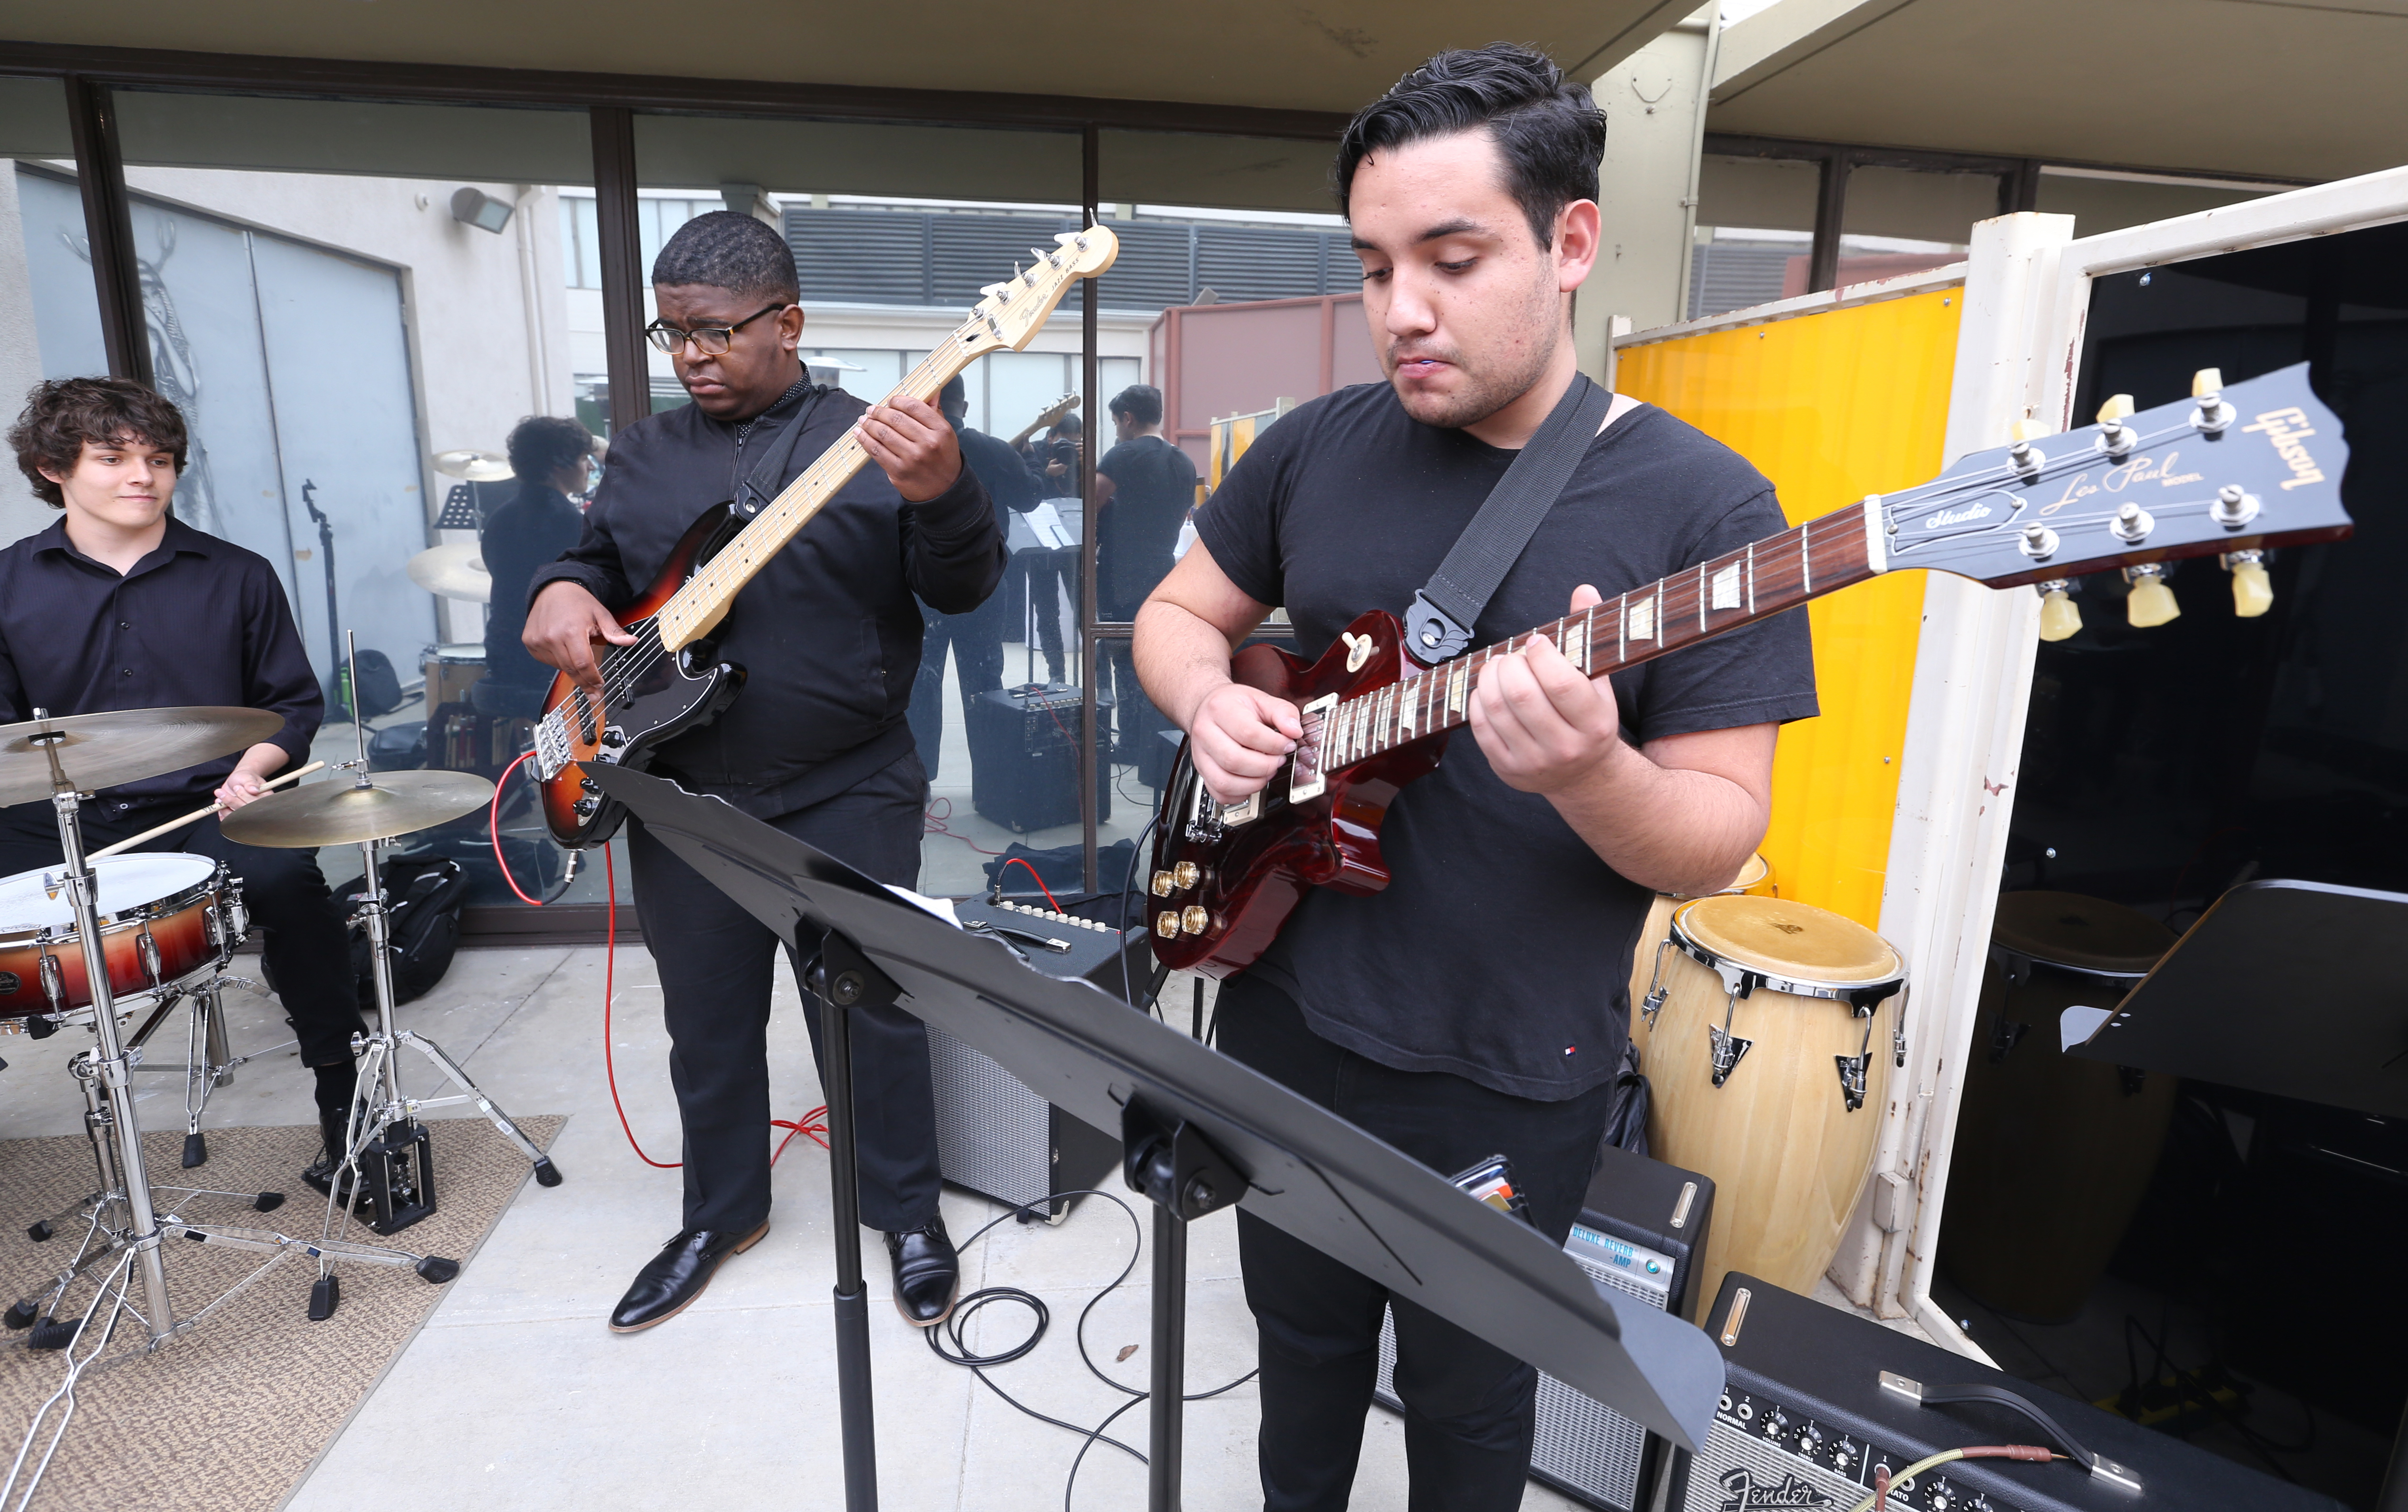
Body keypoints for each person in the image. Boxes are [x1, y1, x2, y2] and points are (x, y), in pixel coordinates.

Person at [1133, 46, 1818, 1511]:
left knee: (1466, 1402)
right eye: (1373, 265)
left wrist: (1586, 772)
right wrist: (1208, 704)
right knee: (1297, 1353)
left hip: (1509, 1071)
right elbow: (1175, 615)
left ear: (1569, 242)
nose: (1401, 312)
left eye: (1449, 260)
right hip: (1283, 1012)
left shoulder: (1708, 508)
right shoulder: (1316, 444)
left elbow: (1713, 837)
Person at [521, 211, 1002, 1334]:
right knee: (708, 1019)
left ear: (788, 323)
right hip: (681, 792)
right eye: (672, 332)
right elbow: (598, 562)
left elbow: (966, 584)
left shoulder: (875, 439)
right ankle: (720, 1211)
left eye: (717, 331)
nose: (691, 354)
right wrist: (556, 584)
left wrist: (944, 492)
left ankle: (908, 1212)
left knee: (872, 1010)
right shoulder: (641, 451)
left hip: (848, 784)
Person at [0, 377, 368, 1188]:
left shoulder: (237, 575)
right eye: (114, 458)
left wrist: (250, 773)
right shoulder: (7, 583)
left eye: (159, 459)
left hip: (211, 807)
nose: (143, 476)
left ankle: (345, 1099)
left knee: (288, 880)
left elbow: (289, 704)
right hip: (65, 814)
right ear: (52, 466)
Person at [909, 375, 1039, 781]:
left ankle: (920, 780)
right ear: (963, 406)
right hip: (985, 585)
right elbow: (1031, 497)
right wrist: (1030, 459)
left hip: (922, 587)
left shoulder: (909, 452)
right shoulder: (995, 450)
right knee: (984, 682)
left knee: (921, 683)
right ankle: (991, 779)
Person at [1092, 384, 1196, 773]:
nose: (1117, 429)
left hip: (1122, 570)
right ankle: (1152, 739)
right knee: (1154, 654)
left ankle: (1131, 740)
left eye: (1117, 421)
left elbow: (1091, 502)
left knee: (1123, 657)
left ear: (1128, 418)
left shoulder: (1124, 454)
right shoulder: (1183, 462)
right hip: (1162, 569)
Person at [475, 415, 596, 716]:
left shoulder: (499, 519)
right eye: (584, 459)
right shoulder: (570, 523)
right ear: (558, 464)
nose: (591, 467)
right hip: (547, 664)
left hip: (502, 655)